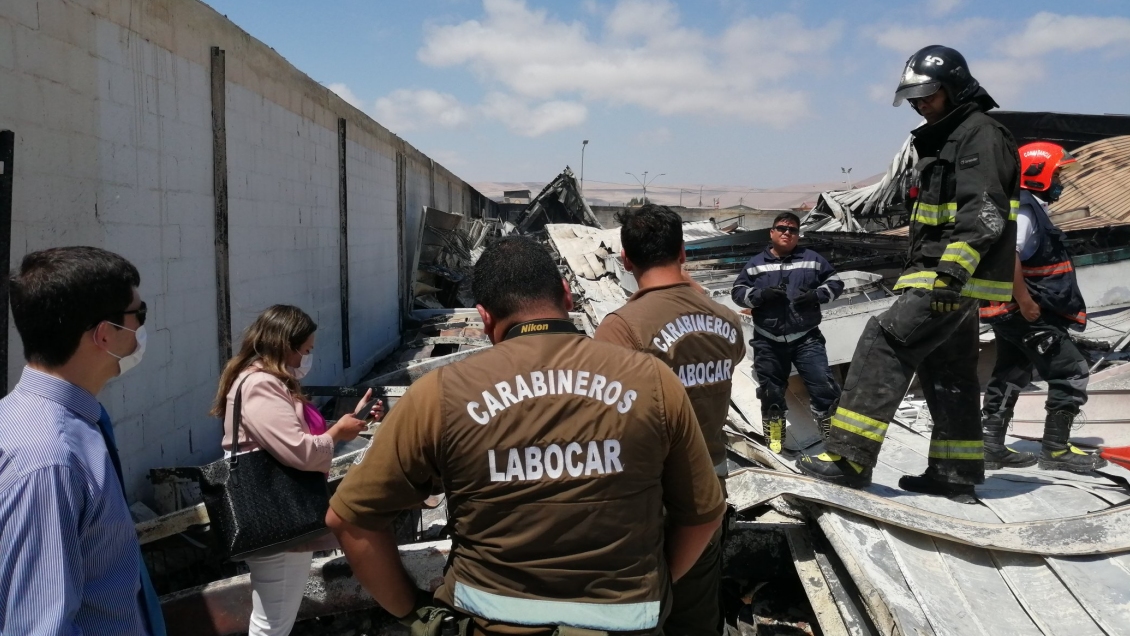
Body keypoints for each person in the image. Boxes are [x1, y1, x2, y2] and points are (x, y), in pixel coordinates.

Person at [326, 236, 725, 636]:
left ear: (484, 318)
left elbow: (349, 519)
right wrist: (652, 587)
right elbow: (704, 515)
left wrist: (414, 614)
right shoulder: (653, 381)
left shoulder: (440, 395)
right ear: (567, 295)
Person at [798, 45, 1020, 501]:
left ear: (955, 88)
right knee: (949, 368)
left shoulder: (978, 134)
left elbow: (985, 212)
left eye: (929, 95)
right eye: (915, 97)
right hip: (949, 277)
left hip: (944, 275)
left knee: (883, 341)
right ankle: (954, 472)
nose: (920, 104)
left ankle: (849, 457)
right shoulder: (949, 136)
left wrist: (951, 275)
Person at [595, 204, 746, 636]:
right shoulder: (726, 320)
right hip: (710, 487)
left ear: (625, 260)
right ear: (683, 252)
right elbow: (731, 351)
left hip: (648, 496)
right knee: (696, 608)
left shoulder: (623, 328)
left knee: (639, 611)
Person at [0, 246, 165, 635]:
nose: (142, 328)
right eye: (138, 315)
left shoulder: (58, 424)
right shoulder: (49, 460)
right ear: (105, 334)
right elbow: (38, 625)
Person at [210, 305, 380, 636]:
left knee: (274, 619)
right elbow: (299, 451)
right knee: (273, 624)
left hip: (277, 518)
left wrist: (347, 422)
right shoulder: (261, 384)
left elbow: (290, 438)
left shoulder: (259, 380)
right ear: (286, 345)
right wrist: (337, 433)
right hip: (278, 517)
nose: (307, 357)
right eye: (305, 350)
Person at [979, 142, 1105, 472]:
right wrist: (1025, 301)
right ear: (1039, 174)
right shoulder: (1023, 211)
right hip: (1026, 313)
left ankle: (990, 446)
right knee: (1071, 370)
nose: (1062, 180)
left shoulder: (1028, 206)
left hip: (1011, 313)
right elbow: (1009, 257)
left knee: (1010, 372)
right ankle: (1056, 450)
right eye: (1058, 173)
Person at [730, 212, 844, 452]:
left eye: (792, 230)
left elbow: (836, 283)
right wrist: (760, 296)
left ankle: (833, 440)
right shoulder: (755, 264)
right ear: (772, 233)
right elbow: (738, 291)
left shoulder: (812, 260)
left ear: (797, 235)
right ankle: (775, 438)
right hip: (767, 340)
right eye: (781, 228)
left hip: (806, 338)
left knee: (823, 387)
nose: (786, 233)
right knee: (771, 393)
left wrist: (816, 295)